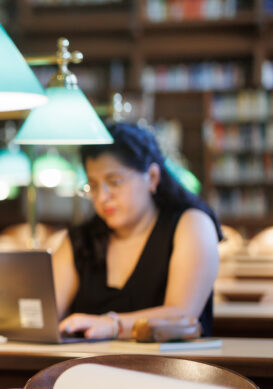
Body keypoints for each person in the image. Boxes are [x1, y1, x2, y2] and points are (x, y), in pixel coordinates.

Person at [54, 123, 222, 340]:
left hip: (170, 369)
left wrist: (112, 325)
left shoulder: (191, 224)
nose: (102, 197)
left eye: (114, 182)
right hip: (86, 370)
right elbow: (44, 315)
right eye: (93, 186)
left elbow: (182, 314)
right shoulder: (81, 239)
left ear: (152, 177)